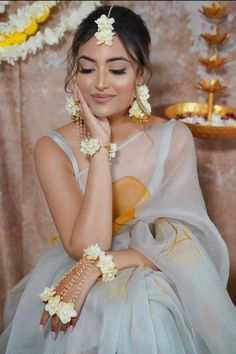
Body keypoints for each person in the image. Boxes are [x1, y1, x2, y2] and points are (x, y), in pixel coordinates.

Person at [0, 4, 236, 354]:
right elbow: (84, 247)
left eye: (117, 69)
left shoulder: (173, 136)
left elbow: (187, 244)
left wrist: (101, 265)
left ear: (141, 75)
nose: (100, 83)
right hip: (76, 267)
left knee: (149, 309)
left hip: (156, 269)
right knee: (87, 316)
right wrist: (99, 151)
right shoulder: (53, 148)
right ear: (74, 74)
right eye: (86, 68)